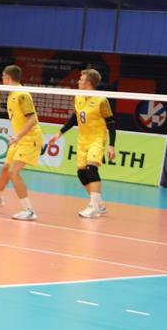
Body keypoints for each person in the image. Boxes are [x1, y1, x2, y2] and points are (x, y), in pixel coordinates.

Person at [46, 68, 116, 218]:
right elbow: (74, 118)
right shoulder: (78, 97)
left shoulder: (101, 100)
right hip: (82, 140)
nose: (78, 81)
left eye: (81, 79)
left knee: (91, 169)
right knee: (81, 173)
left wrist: (111, 145)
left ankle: (93, 207)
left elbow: (111, 123)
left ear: (88, 83)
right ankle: (99, 204)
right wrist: (59, 133)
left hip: (97, 139)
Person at [0, 65, 42, 220]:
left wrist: (18, 136)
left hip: (30, 139)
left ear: (7, 77)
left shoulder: (22, 95)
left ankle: (29, 210)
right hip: (20, 139)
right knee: (6, 169)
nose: (2, 80)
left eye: (3, 77)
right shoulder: (12, 94)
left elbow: (33, 119)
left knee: (13, 172)